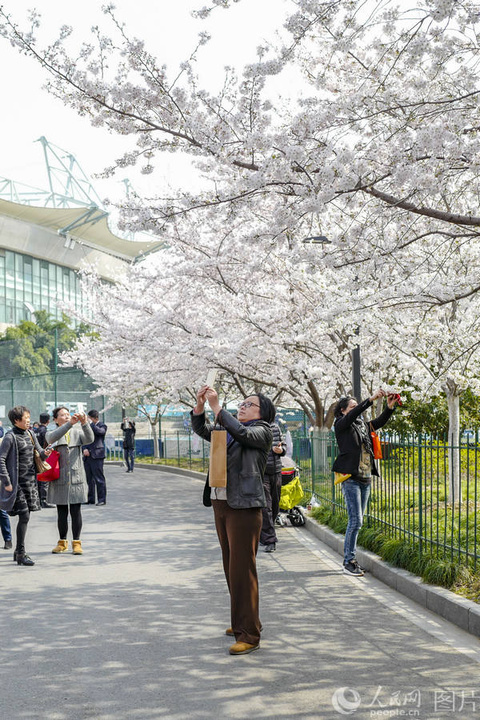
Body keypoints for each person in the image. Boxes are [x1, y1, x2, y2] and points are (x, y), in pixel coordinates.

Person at [191, 386, 273, 656]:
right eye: (242, 403)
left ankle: (249, 634)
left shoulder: (262, 431)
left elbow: (243, 433)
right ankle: (244, 619)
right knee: (230, 565)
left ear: (262, 412)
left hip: (244, 506)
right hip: (221, 501)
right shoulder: (232, 430)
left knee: (242, 569)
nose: (243, 406)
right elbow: (205, 431)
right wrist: (201, 408)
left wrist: (217, 408)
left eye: (249, 404)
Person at [332, 389, 399, 577]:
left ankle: (350, 558)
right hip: (350, 479)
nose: (356, 409)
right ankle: (348, 561)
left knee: (358, 522)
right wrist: (370, 400)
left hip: (365, 478)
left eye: (356, 406)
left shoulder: (361, 425)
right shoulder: (341, 424)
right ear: (343, 411)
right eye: (352, 406)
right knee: (356, 520)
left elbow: (377, 423)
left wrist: (389, 408)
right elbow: (354, 414)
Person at [0, 405, 51, 566]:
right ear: (16, 420)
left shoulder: (30, 433)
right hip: (17, 484)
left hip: (30, 482)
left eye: (29, 418)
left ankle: (17, 551)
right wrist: (7, 482)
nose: (29, 421)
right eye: (26, 419)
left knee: (26, 515)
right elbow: (1, 460)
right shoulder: (10, 437)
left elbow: (39, 452)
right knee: (25, 515)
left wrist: (46, 453)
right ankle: (21, 553)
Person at [46, 407, 94, 555]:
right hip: (59, 477)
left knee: (75, 511)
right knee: (61, 512)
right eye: (62, 415)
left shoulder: (77, 433)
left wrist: (85, 423)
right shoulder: (51, 434)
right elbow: (51, 439)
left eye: (68, 414)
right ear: (55, 419)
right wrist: (69, 424)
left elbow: (90, 439)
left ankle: (77, 543)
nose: (66, 417)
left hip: (76, 477)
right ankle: (62, 542)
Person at [260, 421, 286, 552]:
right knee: (266, 506)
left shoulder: (275, 427)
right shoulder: (253, 427)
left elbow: (283, 446)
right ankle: (270, 539)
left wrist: (281, 450)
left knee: (275, 505)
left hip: (276, 471)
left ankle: (264, 532)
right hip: (261, 472)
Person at [82, 410, 108, 505]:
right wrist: (84, 449)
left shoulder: (102, 425)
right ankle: (90, 498)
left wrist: (91, 424)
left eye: (89, 418)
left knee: (99, 479)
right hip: (87, 456)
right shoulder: (87, 427)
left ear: (94, 418)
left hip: (97, 455)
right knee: (89, 479)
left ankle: (101, 499)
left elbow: (101, 432)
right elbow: (84, 438)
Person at [35, 412, 55, 509]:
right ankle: (44, 500)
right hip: (43, 456)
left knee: (38, 478)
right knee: (44, 478)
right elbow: (47, 445)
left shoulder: (35, 430)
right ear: (48, 421)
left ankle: (38, 499)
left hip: (35, 456)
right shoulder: (45, 431)